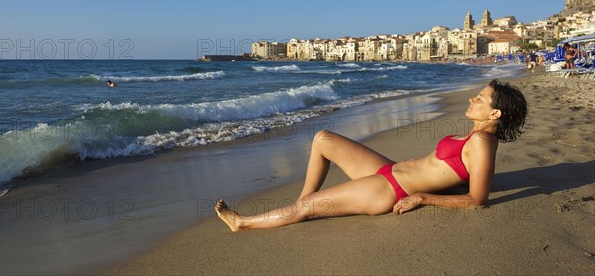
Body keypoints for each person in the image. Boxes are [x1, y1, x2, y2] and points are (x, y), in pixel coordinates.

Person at [216, 79, 528, 231]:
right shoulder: (477, 136)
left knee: (309, 206)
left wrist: (422, 197)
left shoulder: (483, 143)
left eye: (481, 98)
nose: (473, 98)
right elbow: (456, 173)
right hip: (388, 171)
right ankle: (302, 205)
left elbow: (478, 198)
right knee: (323, 139)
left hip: (390, 191)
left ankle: (243, 223)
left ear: (496, 112)